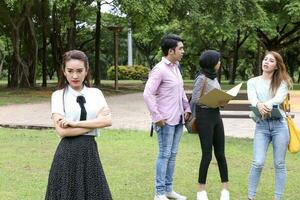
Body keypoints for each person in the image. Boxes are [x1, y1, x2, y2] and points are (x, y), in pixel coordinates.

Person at [45, 50, 112, 200]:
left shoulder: (96, 93)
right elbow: (62, 131)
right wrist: (95, 123)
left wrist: (74, 123)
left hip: (89, 151)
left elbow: (107, 121)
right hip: (67, 152)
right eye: (70, 71)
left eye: (79, 71)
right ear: (64, 71)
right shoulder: (58, 96)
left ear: (86, 71)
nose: (75, 76)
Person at [143, 34, 191, 200]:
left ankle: (169, 190)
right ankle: (159, 193)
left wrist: (187, 107)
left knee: (172, 154)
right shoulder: (159, 69)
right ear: (171, 51)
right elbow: (148, 94)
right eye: (181, 48)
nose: (183, 51)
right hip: (165, 121)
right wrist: (157, 116)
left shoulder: (176, 67)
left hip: (178, 119)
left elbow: (180, 90)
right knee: (164, 155)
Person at [247, 51, 292, 200]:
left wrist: (261, 105)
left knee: (279, 164)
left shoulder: (283, 82)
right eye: (265, 59)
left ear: (277, 66)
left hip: (280, 126)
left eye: (271, 61)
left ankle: (277, 198)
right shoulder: (252, 81)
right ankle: (250, 197)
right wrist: (257, 104)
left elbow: (278, 99)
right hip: (262, 126)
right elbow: (252, 98)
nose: (266, 62)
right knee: (258, 162)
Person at [190, 50, 229, 200]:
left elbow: (215, 96)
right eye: (218, 60)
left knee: (221, 154)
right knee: (207, 154)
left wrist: (221, 100)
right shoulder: (201, 78)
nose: (220, 63)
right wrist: (212, 100)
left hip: (216, 116)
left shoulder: (214, 77)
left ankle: (225, 190)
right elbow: (195, 99)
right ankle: (201, 191)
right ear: (212, 62)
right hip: (204, 117)